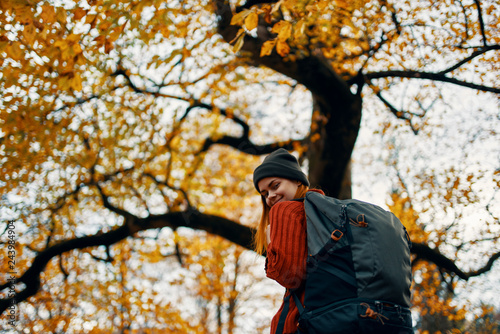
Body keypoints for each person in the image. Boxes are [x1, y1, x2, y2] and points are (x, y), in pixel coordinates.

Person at [253, 148, 324, 334]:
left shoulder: (285, 210)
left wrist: (271, 248)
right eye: (264, 193)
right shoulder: (319, 212)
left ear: (297, 179)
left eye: (275, 186)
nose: (270, 197)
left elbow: (290, 276)